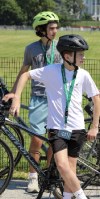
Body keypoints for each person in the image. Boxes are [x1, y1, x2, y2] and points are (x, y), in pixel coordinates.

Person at [9, 34, 100, 199]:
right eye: (80, 54)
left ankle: (67, 197)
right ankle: (82, 197)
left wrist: (94, 126)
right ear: (67, 56)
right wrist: (16, 98)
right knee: (61, 165)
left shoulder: (84, 75)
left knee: (70, 171)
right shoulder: (51, 71)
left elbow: (96, 99)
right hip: (58, 128)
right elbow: (25, 75)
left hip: (77, 128)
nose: (83, 57)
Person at [2, 11, 63, 193]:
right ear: (41, 30)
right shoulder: (31, 48)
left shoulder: (61, 47)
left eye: (56, 28)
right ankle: (33, 178)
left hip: (57, 98)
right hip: (38, 97)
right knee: (36, 139)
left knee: (54, 140)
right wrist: (14, 93)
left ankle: (51, 176)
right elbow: (24, 72)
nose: (55, 31)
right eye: (51, 28)